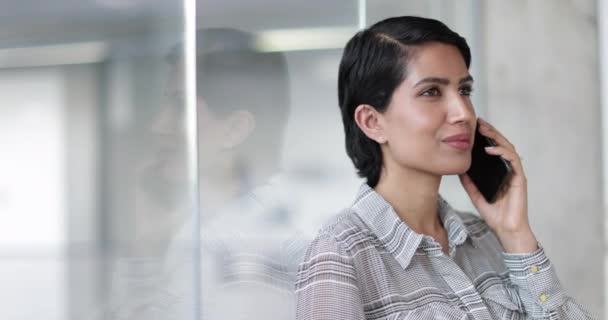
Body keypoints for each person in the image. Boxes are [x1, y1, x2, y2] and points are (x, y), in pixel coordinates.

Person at [295, 16, 595, 320]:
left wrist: (515, 233)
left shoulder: (484, 237)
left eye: (464, 91)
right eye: (431, 92)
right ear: (373, 122)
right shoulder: (341, 255)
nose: (463, 112)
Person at [107, 28, 305, 320]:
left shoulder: (250, 248)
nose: (158, 125)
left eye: (180, 107)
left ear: (235, 129)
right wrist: (149, 244)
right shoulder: (208, 230)